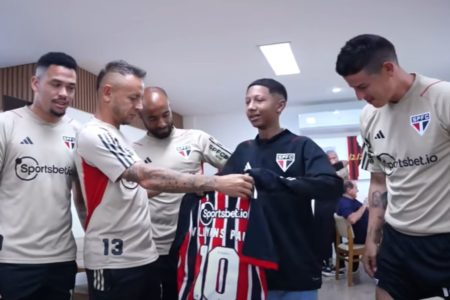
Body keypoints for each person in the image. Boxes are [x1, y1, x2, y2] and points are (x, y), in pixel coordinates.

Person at [75, 60, 253, 300]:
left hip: (147, 253)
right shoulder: (95, 134)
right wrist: (213, 183)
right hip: (115, 261)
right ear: (108, 93)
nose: (138, 106)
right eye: (133, 98)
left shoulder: (119, 138)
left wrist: (191, 184)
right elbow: (146, 178)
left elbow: (134, 191)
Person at [336, 34, 450, 300]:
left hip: (443, 239)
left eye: (363, 86)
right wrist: (374, 240)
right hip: (397, 237)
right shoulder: (369, 116)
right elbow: (378, 181)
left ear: (388, 69)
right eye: (353, 88)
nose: (359, 96)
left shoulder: (441, 97)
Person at [221, 78, 343, 300]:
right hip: (253, 265)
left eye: (259, 100)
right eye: (247, 101)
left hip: (296, 262)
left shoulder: (301, 145)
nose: (251, 107)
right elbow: (220, 192)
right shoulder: (243, 151)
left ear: (280, 105)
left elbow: (331, 185)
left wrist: (280, 182)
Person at [133, 86, 232, 300]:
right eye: (152, 118)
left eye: (165, 114)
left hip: (194, 240)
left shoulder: (197, 138)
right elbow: (131, 193)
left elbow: (235, 164)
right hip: (152, 245)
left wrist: (210, 192)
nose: (161, 123)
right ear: (140, 116)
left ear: (170, 107)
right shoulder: (133, 150)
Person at [0, 52, 83, 299]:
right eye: (56, 84)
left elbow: (81, 199)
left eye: (70, 87)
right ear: (35, 83)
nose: (64, 94)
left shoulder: (78, 132)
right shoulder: (6, 124)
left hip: (62, 258)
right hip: (14, 260)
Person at [336, 180, 368, 272]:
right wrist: (364, 206)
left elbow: (362, 209)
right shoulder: (344, 203)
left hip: (359, 235)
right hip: (361, 238)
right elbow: (352, 219)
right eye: (356, 188)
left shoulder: (351, 200)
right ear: (349, 190)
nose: (357, 191)